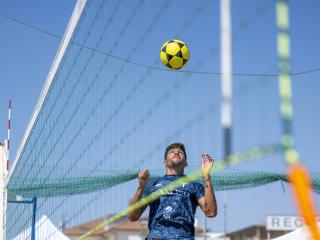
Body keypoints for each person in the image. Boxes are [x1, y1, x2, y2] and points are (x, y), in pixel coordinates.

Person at [128, 142, 217, 239]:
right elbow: (133, 216)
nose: (176, 153)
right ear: (165, 162)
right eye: (171, 152)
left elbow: (211, 212)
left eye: (180, 152)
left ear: (186, 163)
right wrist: (141, 186)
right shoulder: (152, 185)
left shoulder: (194, 186)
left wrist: (206, 176)